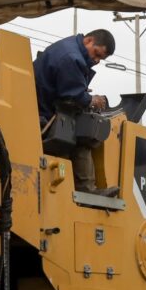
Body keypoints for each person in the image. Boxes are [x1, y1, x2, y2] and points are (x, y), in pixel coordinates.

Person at [33, 29, 117, 195]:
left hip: (42, 105)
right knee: (84, 135)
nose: (96, 60)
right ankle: (86, 190)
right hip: (45, 113)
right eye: (96, 54)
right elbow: (73, 95)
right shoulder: (72, 57)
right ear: (89, 41)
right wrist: (92, 99)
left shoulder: (67, 47)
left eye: (100, 58)